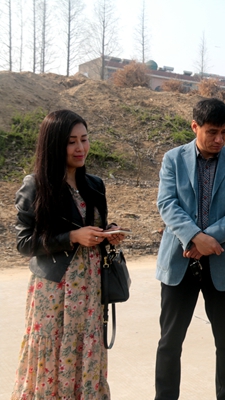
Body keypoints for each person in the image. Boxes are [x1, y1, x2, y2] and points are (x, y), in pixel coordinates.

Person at [12, 109, 127, 399]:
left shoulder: (94, 185)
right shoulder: (36, 185)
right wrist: (72, 238)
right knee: (52, 354)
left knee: (85, 352)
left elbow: (94, 226)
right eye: (71, 142)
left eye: (84, 139)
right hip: (54, 290)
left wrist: (108, 233)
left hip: (90, 288)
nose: (80, 148)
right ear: (54, 145)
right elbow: (24, 243)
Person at [154, 98, 225, 400]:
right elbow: (167, 204)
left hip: (222, 263)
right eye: (212, 132)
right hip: (179, 260)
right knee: (170, 342)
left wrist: (208, 240)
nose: (219, 139)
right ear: (195, 126)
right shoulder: (173, 159)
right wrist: (195, 237)